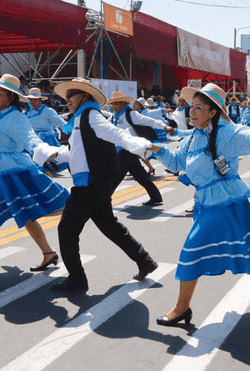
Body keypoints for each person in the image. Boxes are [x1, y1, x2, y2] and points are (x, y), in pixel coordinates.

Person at [147, 83, 250, 325]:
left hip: (224, 205)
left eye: (198, 108)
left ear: (213, 113)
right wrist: (157, 149)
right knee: (249, 254)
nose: (192, 112)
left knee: (191, 252)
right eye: (192, 107)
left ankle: (181, 309)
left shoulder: (226, 133)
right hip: (208, 205)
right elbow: (177, 161)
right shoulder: (193, 137)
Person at [0, 74, 70, 288]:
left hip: (9, 172)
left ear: (10, 98)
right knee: (11, 216)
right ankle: (48, 253)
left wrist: (46, 150)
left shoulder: (15, 117)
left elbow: (30, 138)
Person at [48, 78, 159, 291]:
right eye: (67, 95)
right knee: (110, 226)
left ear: (85, 96)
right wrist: (51, 153)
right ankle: (144, 260)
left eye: (72, 94)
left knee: (67, 229)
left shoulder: (90, 115)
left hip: (89, 184)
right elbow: (75, 151)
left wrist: (143, 145)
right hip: (94, 183)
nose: (67, 98)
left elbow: (116, 134)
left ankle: (77, 278)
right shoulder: (81, 118)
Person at [107, 91, 175, 206]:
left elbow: (149, 121)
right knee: (140, 175)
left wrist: (164, 126)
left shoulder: (131, 114)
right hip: (122, 150)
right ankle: (156, 197)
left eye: (115, 104)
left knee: (115, 175)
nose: (112, 107)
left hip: (128, 150)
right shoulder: (113, 117)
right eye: (112, 105)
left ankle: (104, 199)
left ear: (122, 104)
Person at [23, 87, 68, 176]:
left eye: (35, 100)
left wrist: (75, 131)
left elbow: (61, 123)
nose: (32, 102)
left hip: (46, 141)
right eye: (30, 99)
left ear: (40, 100)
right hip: (32, 142)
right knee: (36, 168)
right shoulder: (25, 113)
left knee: (43, 168)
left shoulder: (47, 111)